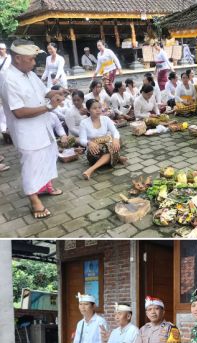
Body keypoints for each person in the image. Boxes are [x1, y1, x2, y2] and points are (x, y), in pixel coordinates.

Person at [0, 40, 68, 219]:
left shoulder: (28, 73)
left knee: (48, 156)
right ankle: (34, 200)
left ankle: (44, 187)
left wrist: (58, 92)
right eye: (30, 59)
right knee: (31, 165)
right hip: (27, 132)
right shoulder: (8, 79)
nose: (34, 63)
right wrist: (49, 108)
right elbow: (19, 112)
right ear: (17, 59)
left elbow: (43, 93)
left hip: (43, 127)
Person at [80, 98, 127, 180]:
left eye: (99, 107)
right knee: (108, 148)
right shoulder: (84, 123)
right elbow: (82, 140)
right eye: (94, 108)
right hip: (94, 151)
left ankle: (92, 169)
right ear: (88, 110)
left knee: (116, 141)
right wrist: (89, 143)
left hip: (107, 147)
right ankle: (117, 158)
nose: (98, 110)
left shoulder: (106, 119)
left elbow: (115, 132)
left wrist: (115, 140)